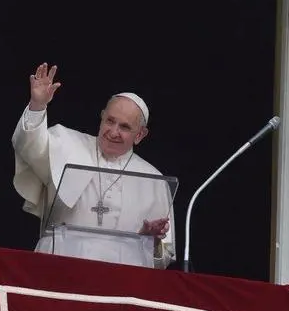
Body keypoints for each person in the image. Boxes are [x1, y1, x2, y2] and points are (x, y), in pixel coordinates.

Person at [12, 62, 175, 269]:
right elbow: (28, 147)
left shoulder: (155, 181)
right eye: (110, 121)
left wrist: (149, 241)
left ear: (140, 135)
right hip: (59, 267)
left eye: (124, 127)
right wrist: (37, 106)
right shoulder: (68, 143)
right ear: (101, 118)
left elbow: (165, 255)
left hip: (122, 280)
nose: (113, 132)